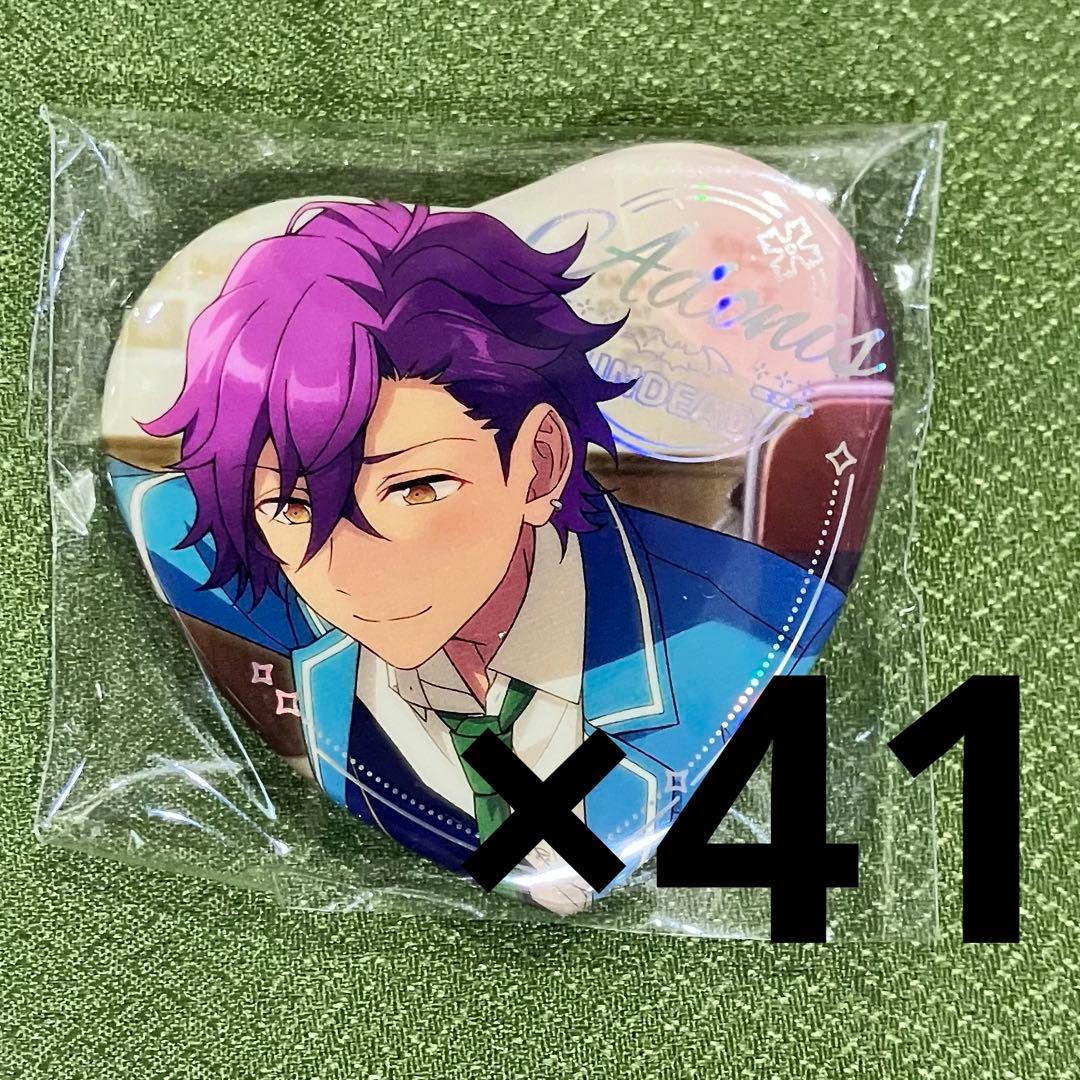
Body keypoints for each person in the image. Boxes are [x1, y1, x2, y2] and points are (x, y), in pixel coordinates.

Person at [109, 200, 844, 913]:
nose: (352, 570)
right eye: (294, 507)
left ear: (540, 463)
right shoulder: (274, 576)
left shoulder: (747, 633)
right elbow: (155, 501)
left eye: (416, 488)